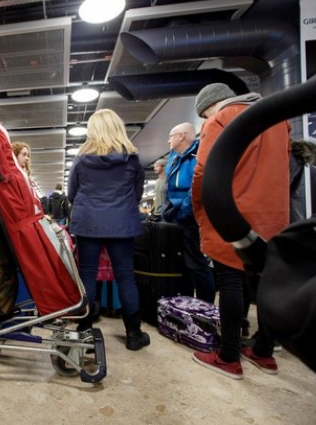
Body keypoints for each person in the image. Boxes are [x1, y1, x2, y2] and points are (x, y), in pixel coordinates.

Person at [191, 83, 290, 379]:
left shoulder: (220, 118)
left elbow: (203, 173)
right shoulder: (278, 118)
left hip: (233, 211)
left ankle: (229, 356)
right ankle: (263, 351)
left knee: (230, 281)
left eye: (204, 113)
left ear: (211, 105)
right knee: (265, 285)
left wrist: (199, 208)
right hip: (273, 215)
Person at [67, 108, 150, 351]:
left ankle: (83, 330)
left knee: (87, 274)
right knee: (125, 276)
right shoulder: (132, 159)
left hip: (89, 223)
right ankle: (134, 334)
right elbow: (137, 193)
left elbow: (72, 194)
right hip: (121, 224)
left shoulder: (82, 160)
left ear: (93, 131)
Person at [161, 122, 215, 303]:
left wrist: (181, 211)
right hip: (174, 218)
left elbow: (197, 188)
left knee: (197, 263)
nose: (168, 140)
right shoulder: (174, 158)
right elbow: (169, 189)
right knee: (182, 264)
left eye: (171, 136)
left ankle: (205, 308)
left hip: (191, 218)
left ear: (181, 136)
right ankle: (186, 304)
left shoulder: (198, 155)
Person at [12, 141, 47, 212]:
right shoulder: (13, 177)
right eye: (24, 154)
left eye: (28, 156)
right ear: (15, 155)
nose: (27, 158)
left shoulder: (24, 177)